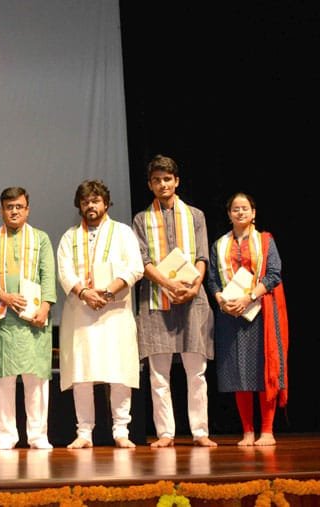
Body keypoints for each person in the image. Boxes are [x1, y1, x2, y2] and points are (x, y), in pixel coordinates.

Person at [132, 154, 216, 447]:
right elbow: (143, 261)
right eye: (156, 180)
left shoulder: (195, 215)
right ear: (150, 185)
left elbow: (203, 256)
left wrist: (194, 287)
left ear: (176, 181)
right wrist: (167, 283)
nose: (162, 184)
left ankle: (200, 432)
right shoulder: (142, 219)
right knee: (159, 374)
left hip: (193, 300)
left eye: (167, 179)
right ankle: (166, 433)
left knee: (197, 373)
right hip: (156, 300)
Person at [56, 180, 144, 449]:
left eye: (95, 201)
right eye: (85, 202)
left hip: (114, 311)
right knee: (82, 373)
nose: (90, 206)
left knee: (118, 371)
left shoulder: (123, 233)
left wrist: (106, 292)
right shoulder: (70, 237)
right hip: (81, 312)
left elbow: (135, 268)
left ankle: (121, 430)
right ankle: (84, 432)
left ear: (106, 203)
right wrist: (85, 293)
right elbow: (64, 272)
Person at [0, 186, 56, 450]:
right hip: (1, 317)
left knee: (36, 378)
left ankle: (37, 436)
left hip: (33, 317)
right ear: (1, 210)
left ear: (27, 209)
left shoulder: (41, 239)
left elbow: (47, 274)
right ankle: (6, 436)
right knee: (2, 379)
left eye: (19, 206)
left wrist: (45, 307)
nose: (14, 211)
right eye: (9, 207)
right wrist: (5, 296)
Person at [207, 192, 288, 446]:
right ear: (229, 214)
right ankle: (248, 431)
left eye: (245, 208)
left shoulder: (265, 241)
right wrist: (221, 299)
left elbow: (274, 274)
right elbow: (211, 278)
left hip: (261, 311)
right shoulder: (219, 245)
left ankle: (266, 430)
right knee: (238, 372)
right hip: (230, 314)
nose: (240, 212)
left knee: (264, 369)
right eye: (235, 209)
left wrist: (250, 297)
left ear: (253, 213)